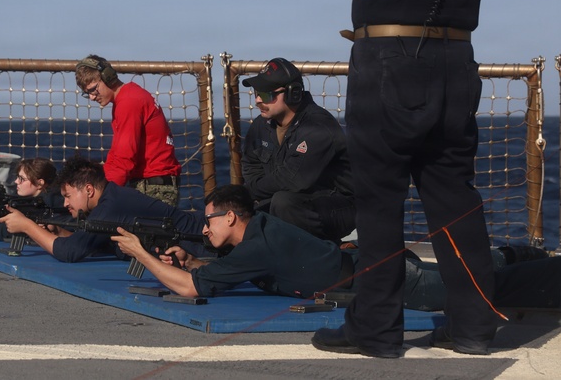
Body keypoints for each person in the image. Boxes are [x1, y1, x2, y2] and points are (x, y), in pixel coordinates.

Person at [314, 0, 498, 357]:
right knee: (455, 200)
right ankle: (473, 329)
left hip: (388, 61)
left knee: (378, 201)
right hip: (457, 63)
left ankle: (375, 330)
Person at [111, 185, 560, 314]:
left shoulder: (256, 247)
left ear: (231, 218)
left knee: (487, 290)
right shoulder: (259, 234)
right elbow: (218, 270)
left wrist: (142, 253)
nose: (203, 227)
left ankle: (544, 273)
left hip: (386, 283)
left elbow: (191, 290)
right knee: (484, 270)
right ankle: (525, 253)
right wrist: (195, 258)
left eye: (208, 219)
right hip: (376, 269)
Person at [0, 155, 204, 263]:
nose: (65, 204)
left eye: (68, 196)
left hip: (203, 246)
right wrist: (61, 232)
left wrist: (27, 226)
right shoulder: (112, 198)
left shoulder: (111, 206)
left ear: (88, 190)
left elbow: (70, 252)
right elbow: (94, 243)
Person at [241, 57, 355, 243]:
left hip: (339, 207)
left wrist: (249, 193)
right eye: (256, 93)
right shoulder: (260, 127)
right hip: (286, 200)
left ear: (293, 93)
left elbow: (292, 180)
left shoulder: (318, 127)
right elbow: (250, 164)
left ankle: (323, 253)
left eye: (266, 94)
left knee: (284, 203)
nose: (258, 100)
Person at [74, 55, 181, 206]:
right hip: (152, 184)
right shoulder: (127, 98)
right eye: (87, 93)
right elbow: (117, 154)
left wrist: (100, 198)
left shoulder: (128, 103)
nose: (92, 97)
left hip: (153, 188)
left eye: (93, 90)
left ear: (108, 78)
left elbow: (124, 159)